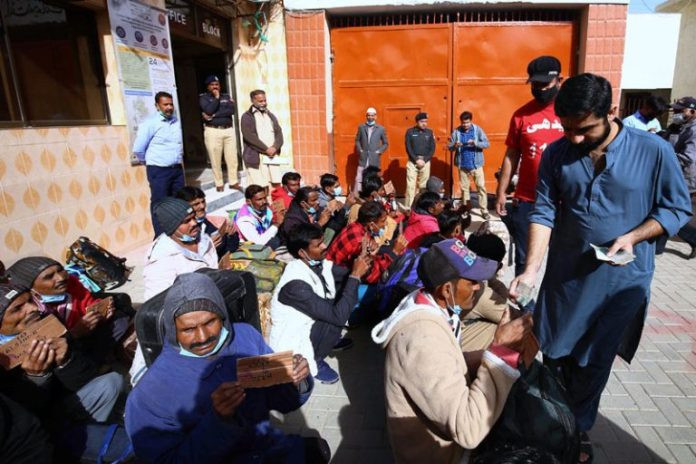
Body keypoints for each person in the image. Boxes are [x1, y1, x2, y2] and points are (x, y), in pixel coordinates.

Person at [509, 74, 691, 463]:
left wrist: (636, 236)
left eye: (584, 129)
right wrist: (529, 270)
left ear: (610, 112)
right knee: (555, 356)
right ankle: (556, 424)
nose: (573, 138)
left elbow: (676, 208)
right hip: (565, 280)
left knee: (594, 361)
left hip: (621, 283)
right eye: (566, 128)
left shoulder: (653, 150)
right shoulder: (557, 153)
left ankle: (576, 432)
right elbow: (542, 211)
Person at [125, 272, 324, 464]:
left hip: (265, 448)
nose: (202, 337)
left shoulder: (246, 337)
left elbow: (280, 401)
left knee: (319, 451)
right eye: (188, 329)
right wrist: (218, 420)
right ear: (172, 329)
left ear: (221, 315)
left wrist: (296, 380)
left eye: (210, 322)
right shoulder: (149, 394)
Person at [371, 239, 533, 464]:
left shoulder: (429, 303)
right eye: (473, 281)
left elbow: (450, 360)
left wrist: (486, 356)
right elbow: (468, 430)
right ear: (447, 289)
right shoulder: (424, 341)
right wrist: (500, 354)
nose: (478, 287)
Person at [0, 283, 123, 424]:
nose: (33, 308)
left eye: (30, 301)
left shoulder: (50, 325)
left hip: (68, 403)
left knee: (110, 382)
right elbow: (19, 418)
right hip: (42, 424)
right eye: (17, 309)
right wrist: (36, 379)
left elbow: (86, 377)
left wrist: (66, 362)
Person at [270, 223, 371, 384]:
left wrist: (363, 259)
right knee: (337, 314)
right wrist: (355, 275)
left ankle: (329, 341)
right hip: (294, 342)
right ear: (303, 252)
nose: (325, 246)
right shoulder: (295, 285)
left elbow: (346, 274)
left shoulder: (318, 263)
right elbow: (337, 316)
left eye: (323, 241)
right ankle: (315, 358)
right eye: (319, 245)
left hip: (310, 324)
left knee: (344, 290)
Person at [495, 56, 565, 275]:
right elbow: (511, 156)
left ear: (559, 81)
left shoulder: (571, 113)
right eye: (535, 85)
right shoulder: (521, 116)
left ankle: (553, 306)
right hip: (528, 200)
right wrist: (501, 192)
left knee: (562, 261)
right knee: (525, 261)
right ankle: (522, 306)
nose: (540, 89)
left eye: (545, 84)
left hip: (566, 202)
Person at [7, 257, 129, 364]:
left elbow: (88, 301)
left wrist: (101, 310)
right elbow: (47, 344)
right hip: (66, 346)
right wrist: (74, 333)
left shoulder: (71, 283)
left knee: (120, 318)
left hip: (88, 331)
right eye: (49, 277)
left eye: (60, 270)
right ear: (31, 288)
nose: (60, 278)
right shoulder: (30, 309)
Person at [143, 198, 218, 301]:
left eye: (193, 217)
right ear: (172, 228)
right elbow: (157, 303)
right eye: (186, 221)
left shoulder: (203, 238)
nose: (194, 223)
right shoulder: (161, 260)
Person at [132, 91, 185, 237]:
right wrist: (149, 162)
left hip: (176, 170)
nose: (169, 107)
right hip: (158, 171)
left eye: (171, 104)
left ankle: (177, 234)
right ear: (157, 106)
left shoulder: (175, 122)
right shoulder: (150, 124)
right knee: (160, 204)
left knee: (179, 203)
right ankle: (161, 237)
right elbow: (138, 149)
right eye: (165, 104)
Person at [327, 201, 408, 284]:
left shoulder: (355, 226)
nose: (384, 225)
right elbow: (373, 276)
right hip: (336, 280)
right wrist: (394, 252)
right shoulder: (359, 242)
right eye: (383, 221)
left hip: (335, 270)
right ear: (371, 225)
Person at [199, 75, 240, 192]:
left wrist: (214, 115)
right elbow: (208, 110)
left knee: (232, 158)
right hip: (213, 131)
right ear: (208, 87)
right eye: (212, 85)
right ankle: (219, 183)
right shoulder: (203, 98)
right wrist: (216, 99)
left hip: (228, 130)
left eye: (217, 84)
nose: (215, 87)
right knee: (215, 159)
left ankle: (233, 181)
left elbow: (231, 110)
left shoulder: (226, 96)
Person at [176, 186, 240, 257]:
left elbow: (229, 249)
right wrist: (207, 249)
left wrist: (230, 235)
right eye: (196, 204)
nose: (202, 206)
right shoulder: (180, 231)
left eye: (203, 201)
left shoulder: (204, 223)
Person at [448, 111, 491, 219]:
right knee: (464, 189)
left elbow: (486, 144)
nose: (465, 125)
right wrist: (454, 145)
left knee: (481, 187)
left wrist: (475, 143)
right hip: (462, 165)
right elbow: (450, 147)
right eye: (463, 123)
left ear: (471, 121)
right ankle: (466, 209)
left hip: (476, 165)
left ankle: (484, 210)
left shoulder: (477, 130)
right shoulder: (456, 132)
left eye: (467, 122)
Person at [240, 89, 284, 190]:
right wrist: (265, 149)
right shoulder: (247, 117)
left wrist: (274, 147)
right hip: (256, 157)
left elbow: (279, 133)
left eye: (264, 100)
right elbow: (249, 136)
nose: (263, 103)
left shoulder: (270, 115)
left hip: (272, 156)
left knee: (275, 185)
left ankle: (274, 206)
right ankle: (262, 206)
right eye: (260, 101)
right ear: (252, 101)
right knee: (260, 187)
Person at [671, 97, 696, 258]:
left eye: (681, 111)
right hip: (673, 177)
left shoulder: (694, 131)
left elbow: (688, 157)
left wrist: (663, 157)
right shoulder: (678, 127)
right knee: (668, 211)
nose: (676, 113)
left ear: (693, 112)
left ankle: (694, 238)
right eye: (675, 110)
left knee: (671, 212)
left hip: (685, 180)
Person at [405, 112, 436, 207]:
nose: (424, 123)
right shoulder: (410, 132)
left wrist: (425, 160)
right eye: (422, 121)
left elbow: (432, 148)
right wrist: (416, 160)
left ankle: (421, 207)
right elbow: (408, 147)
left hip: (425, 162)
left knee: (423, 187)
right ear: (417, 122)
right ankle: (408, 209)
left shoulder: (429, 132)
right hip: (412, 161)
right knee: (410, 186)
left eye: (426, 121)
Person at [354, 107, 389, 192]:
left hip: (374, 158)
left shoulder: (381, 129)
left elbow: (385, 143)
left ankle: (373, 196)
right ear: (366, 116)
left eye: (372, 115)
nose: (370, 117)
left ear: (375, 116)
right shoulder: (361, 127)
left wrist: (379, 151)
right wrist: (360, 150)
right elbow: (357, 140)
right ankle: (358, 196)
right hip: (363, 158)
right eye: (368, 115)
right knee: (359, 178)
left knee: (373, 178)